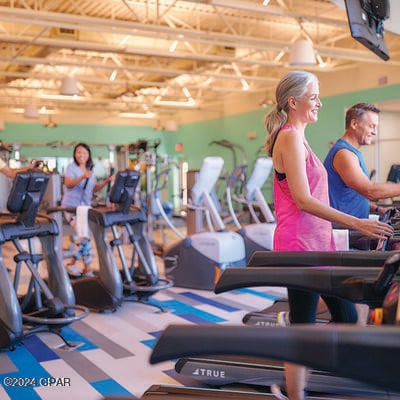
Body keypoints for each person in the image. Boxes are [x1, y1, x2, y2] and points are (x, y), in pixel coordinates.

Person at [264, 71, 393, 400]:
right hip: (300, 245)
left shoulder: (300, 137)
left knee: (346, 316)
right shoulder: (290, 137)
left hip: (317, 243)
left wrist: (367, 217)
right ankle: (295, 391)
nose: (320, 102)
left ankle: (310, 373)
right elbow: (304, 200)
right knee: (305, 324)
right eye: (314, 96)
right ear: (293, 102)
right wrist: (358, 223)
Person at [324, 102, 400, 221]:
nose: (374, 132)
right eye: (371, 126)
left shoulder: (353, 152)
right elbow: (370, 191)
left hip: (357, 227)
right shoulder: (344, 153)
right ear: (354, 124)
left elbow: (352, 195)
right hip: (346, 229)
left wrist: (377, 209)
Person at [61, 143, 112, 278]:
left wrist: (106, 182)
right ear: (75, 154)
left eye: (84, 152)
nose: (81, 155)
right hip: (71, 208)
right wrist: (82, 177)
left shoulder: (90, 170)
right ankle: (83, 266)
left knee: (85, 237)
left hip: (85, 209)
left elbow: (94, 188)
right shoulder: (71, 168)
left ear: (88, 154)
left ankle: (80, 266)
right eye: (78, 152)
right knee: (85, 236)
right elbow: (68, 184)